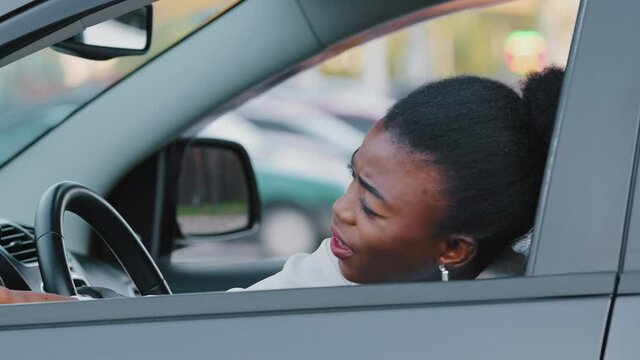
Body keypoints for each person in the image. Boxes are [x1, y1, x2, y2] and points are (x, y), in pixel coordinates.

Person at [0, 67, 564, 301]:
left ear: (452, 248)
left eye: (371, 208)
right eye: (353, 181)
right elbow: (221, 324)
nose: (341, 213)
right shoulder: (337, 268)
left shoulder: (499, 314)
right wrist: (35, 307)